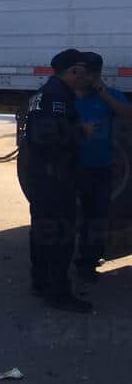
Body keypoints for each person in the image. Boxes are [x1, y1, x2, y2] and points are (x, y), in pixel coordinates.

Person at [17, 49, 93, 312]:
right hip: (54, 177)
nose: (85, 77)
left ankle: (41, 283)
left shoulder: (45, 92)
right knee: (59, 234)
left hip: (42, 175)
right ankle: (58, 292)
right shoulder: (56, 96)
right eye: (82, 71)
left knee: (42, 231)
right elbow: (47, 136)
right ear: (73, 72)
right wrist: (80, 131)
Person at [74, 52, 132, 281]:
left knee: (97, 217)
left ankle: (88, 263)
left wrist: (104, 94)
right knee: (73, 215)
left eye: (87, 73)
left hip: (102, 168)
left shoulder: (108, 96)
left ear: (96, 75)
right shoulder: (67, 96)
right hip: (74, 169)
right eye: (79, 72)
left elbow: (127, 114)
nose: (82, 77)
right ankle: (71, 257)